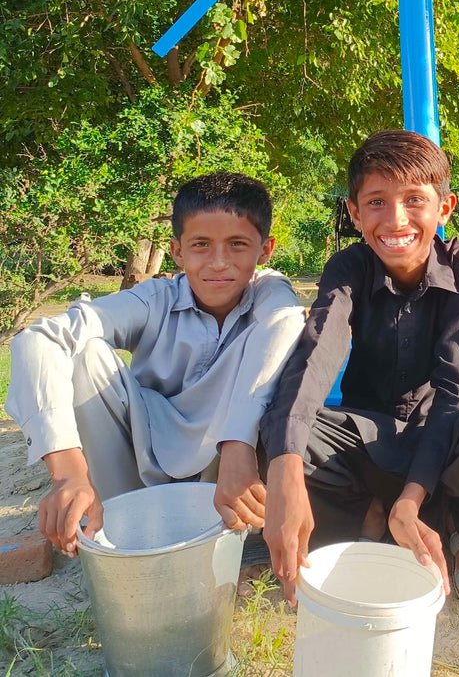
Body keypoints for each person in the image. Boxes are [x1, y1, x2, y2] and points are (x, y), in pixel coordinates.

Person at [261, 130, 459, 607]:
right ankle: (373, 515)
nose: (395, 219)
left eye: (415, 199)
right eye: (376, 201)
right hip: (371, 434)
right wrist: (284, 468)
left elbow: (456, 388)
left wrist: (412, 496)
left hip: (448, 434)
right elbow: (315, 356)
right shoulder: (347, 267)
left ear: (445, 207)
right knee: (278, 431)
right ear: (354, 212)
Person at [5, 172, 305, 555]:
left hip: (226, 469)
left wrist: (237, 446)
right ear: (177, 251)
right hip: (134, 460)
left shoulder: (270, 296)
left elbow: (285, 322)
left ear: (264, 251)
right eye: (200, 245)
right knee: (84, 352)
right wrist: (67, 473)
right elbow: (39, 339)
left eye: (237, 245)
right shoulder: (155, 299)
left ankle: (224, 535)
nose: (218, 263)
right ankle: (110, 524)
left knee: (280, 338)